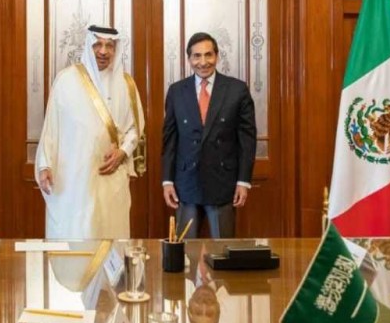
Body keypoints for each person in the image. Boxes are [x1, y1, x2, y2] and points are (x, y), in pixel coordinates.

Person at [36, 25, 144, 239]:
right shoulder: (66, 80)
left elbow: (136, 127)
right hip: (73, 179)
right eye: (98, 45)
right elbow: (51, 127)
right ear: (88, 46)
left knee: (110, 233)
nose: (103, 51)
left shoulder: (126, 84)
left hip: (110, 175)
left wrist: (123, 152)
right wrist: (44, 165)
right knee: (77, 233)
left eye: (109, 46)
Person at [162, 32, 256, 238]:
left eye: (208, 55)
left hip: (223, 184)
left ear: (217, 56)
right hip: (185, 184)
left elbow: (247, 140)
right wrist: (167, 180)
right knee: (185, 250)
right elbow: (170, 140)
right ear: (189, 59)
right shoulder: (176, 91)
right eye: (197, 56)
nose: (203, 62)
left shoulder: (237, 90)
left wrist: (243, 181)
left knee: (222, 249)